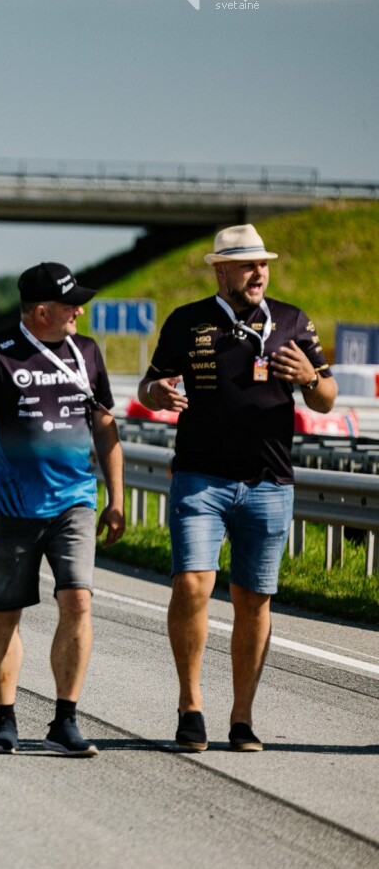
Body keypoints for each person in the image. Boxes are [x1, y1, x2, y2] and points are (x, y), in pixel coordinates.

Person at [137, 224, 336, 753]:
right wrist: (157, 393)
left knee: (253, 599)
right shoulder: (187, 322)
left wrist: (309, 379)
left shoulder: (291, 321)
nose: (259, 273)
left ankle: (242, 719)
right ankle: (191, 706)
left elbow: (327, 399)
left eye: (263, 264)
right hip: (201, 478)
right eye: (248, 265)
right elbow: (149, 387)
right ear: (221, 270)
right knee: (193, 586)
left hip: (270, 481)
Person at [0, 262, 125, 756]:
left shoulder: (85, 351)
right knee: (7, 611)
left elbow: (105, 426)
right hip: (10, 506)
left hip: (75, 501)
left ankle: (65, 720)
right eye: (72, 304)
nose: (80, 311)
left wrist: (116, 497)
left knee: (78, 600)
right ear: (42, 311)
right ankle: (5, 721)